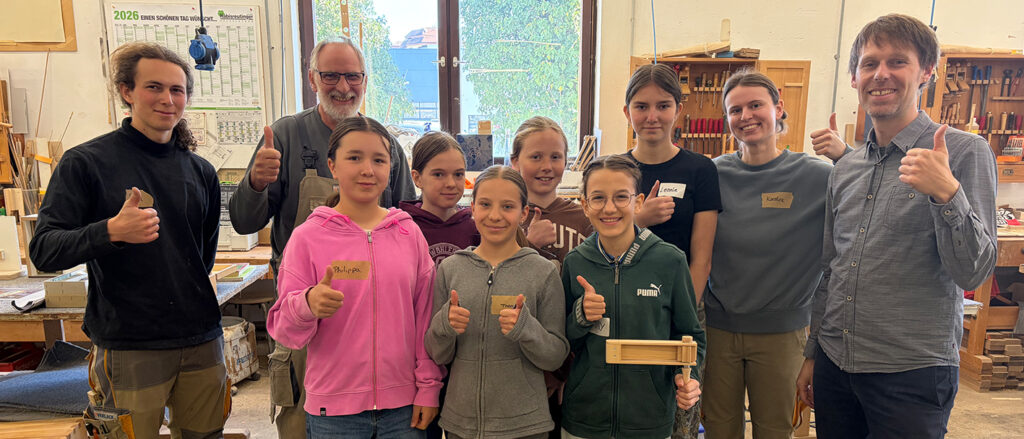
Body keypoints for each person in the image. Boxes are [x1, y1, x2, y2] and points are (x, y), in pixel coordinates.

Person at [796, 14, 997, 438]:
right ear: (854, 77)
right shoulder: (846, 166)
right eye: (869, 63)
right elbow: (831, 268)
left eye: (897, 62)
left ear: (926, 72)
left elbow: (974, 271)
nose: (880, 74)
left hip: (912, 373)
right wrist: (814, 354)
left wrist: (947, 195)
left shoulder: (963, 153)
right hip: (836, 365)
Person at [29, 42, 227, 439]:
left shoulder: (201, 171)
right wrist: (110, 232)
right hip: (130, 345)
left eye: (177, 90)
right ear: (126, 91)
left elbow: (201, 257)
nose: (167, 100)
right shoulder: (87, 163)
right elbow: (44, 250)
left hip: (202, 339)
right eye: (154, 87)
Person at [228, 36, 415, 437]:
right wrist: (256, 184)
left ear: (365, 80)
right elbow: (244, 222)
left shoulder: (388, 145)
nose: (343, 86)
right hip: (303, 313)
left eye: (353, 76)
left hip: (376, 321)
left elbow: (405, 224)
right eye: (330, 75)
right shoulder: (285, 137)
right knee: (303, 420)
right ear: (312, 79)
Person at [266, 116, 442, 438]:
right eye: (354, 157)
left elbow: (425, 320)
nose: (367, 170)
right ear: (332, 165)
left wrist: (429, 387)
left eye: (379, 160)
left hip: (402, 408)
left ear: (390, 168)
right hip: (334, 412)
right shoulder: (307, 238)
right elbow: (284, 330)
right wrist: (307, 304)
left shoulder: (408, 234)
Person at [702, 69, 832, 439]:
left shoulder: (816, 176)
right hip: (718, 330)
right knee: (718, 430)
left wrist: (846, 154)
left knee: (776, 430)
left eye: (755, 105)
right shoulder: (712, 174)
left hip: (783, 333)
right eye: (735, 110)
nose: (746, 116)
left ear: (778, 107)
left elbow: (870, 192)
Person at [560, 155, 706, 439]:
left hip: (649, 418)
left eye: (621, 197)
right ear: (585, 205)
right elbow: (564, 340)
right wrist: (580, 315)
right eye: (598, 198)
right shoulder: (575, 262)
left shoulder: (670, 261)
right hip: (585, 418)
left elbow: (691, 336)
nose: (610, 208)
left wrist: (688, 378)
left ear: (638, 202)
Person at [424, 165, 569, 439]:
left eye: (507, 206)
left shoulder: (544, 271)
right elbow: (438, 354)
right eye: (486, 204)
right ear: (473, 209)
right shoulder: (451, 269)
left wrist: (526, 329)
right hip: (460, 424)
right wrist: (445, 325)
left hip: (525, 425)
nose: (495, 216)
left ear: (523, 213)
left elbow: (555, 356)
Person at [622, 62, 721, 438]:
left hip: (682, 309)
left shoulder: (700, 169)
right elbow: (600, 244)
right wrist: (638, 220)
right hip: (626, 305)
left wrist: (682, 315)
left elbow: (702, 257)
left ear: (678, 110)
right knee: (631, 403)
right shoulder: (612, 168)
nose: (652, 116)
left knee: (681, 410)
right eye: (641, 106)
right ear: (626, 110)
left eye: (663, 105)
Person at [511, 116, 594, 269]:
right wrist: (530, 244)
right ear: (515, 162)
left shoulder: (585, 218)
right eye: (536, 157)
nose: (547, 166)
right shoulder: (505, 219)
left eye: (555, 157)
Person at [401, 131, 480, 266]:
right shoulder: (403, 229)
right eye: (438, 174)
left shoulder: (476, 228)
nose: (451, 183)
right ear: (417, 178)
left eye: (458, 174)